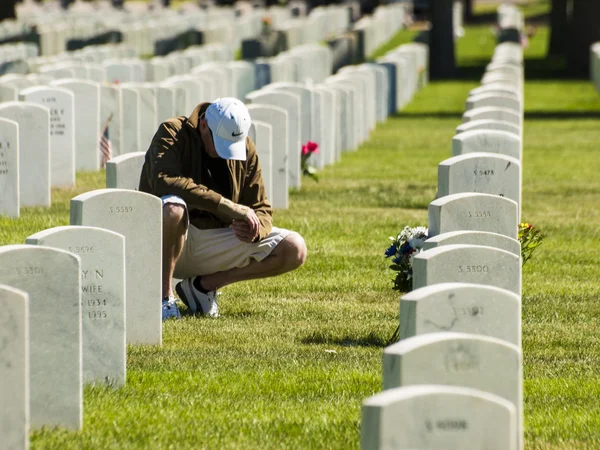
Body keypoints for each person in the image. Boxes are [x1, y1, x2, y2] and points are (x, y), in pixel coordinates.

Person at [139, 98, 307, 321]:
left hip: (214, 242)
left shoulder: (244, 146)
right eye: (218, 143)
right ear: (204, 125)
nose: (222, 153)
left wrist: (255, 230)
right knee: (173, 208)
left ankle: (204, 287)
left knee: (294, 249)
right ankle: (165, 297)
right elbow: (164, 181)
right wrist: (228, 207)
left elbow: (261, 207)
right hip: (169, 238)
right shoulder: (173, 131)